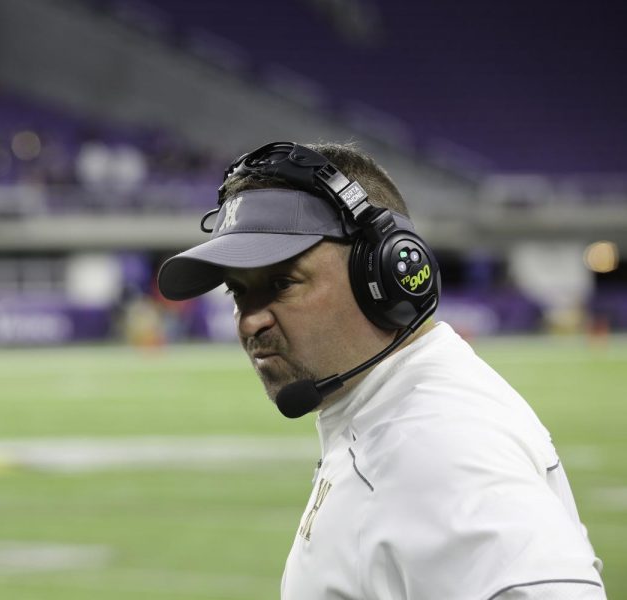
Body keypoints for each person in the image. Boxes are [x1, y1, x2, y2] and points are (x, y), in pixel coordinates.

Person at [156, 141, 605, 599]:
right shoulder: (385, 415)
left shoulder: (437, 445)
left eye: (283, 283)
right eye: (238, 293)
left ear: (384, 276)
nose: (251, 320)